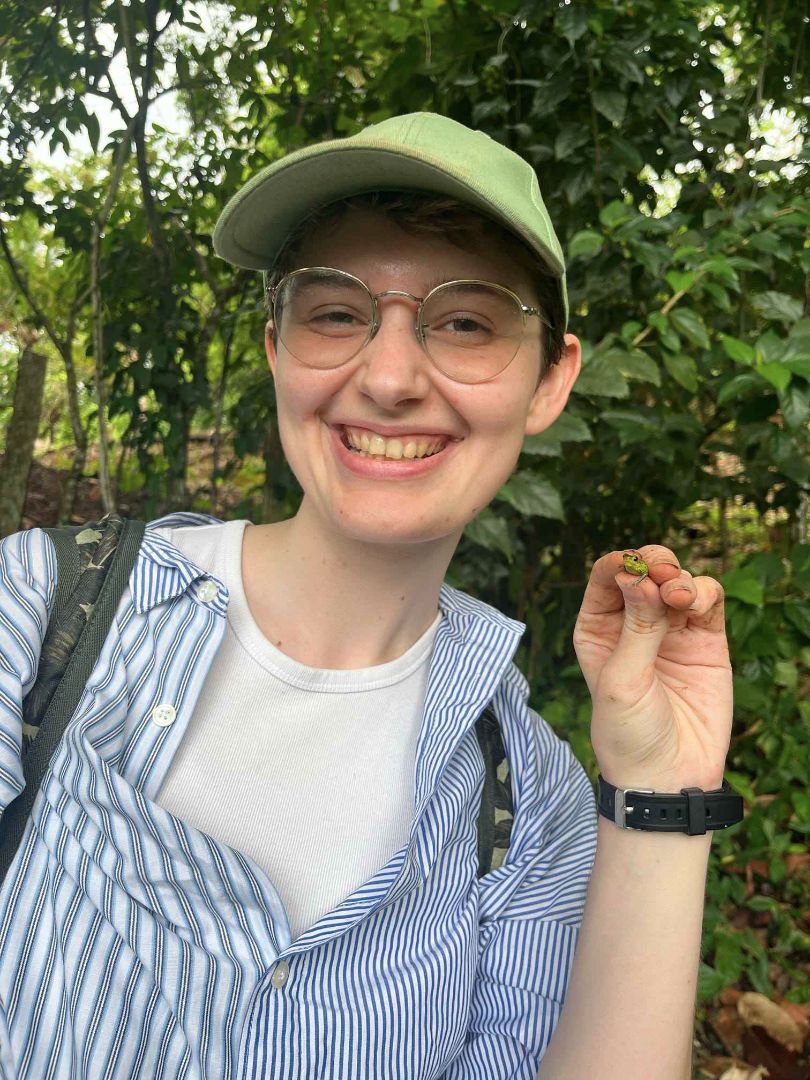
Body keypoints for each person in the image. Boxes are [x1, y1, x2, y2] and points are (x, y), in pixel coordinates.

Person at [0, 112, 737, 1079]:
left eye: (466, 321)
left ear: (551, 380)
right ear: (275, 347)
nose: (388, 378)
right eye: (337, 313)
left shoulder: (527, 801)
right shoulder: (42, 609)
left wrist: (660, 793)